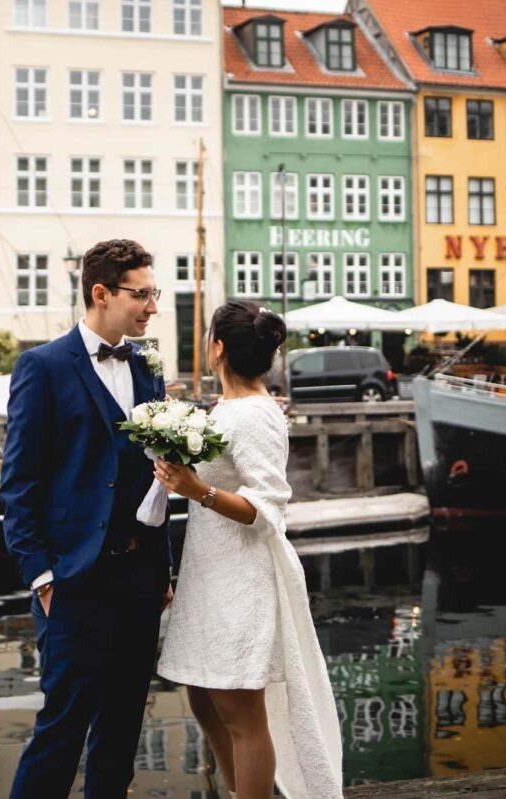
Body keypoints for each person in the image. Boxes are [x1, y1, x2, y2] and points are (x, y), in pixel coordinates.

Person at [0, 239, 174, 799]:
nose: (152, 306)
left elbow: (159, 470)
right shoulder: (42, 367)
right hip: (73, 579)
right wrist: (41, 576)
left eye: (155, 293)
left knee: (122, 728)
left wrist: (162, 567)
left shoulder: (147, 363)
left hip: (140, 579)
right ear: (101, 293)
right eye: (142, 294)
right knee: (61, 729)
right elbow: (20, 482)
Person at [155, 300, 343, 799]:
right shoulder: (226, 408)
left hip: (240, 577)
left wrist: (197, 490)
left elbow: (268, 508)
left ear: (218, 348)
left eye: (206, 336)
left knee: (240, 714)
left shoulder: (257, 414)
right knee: (203, 699)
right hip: (208, 571)